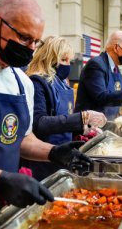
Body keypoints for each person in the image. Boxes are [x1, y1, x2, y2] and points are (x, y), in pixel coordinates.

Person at [0, 0, 91, 228]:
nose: (30, 49)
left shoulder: (22, 82)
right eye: (24, 38)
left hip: (1, 213)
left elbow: (22, 139)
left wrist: (54, 152)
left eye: (35, 42)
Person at [21, 36, 106, 181]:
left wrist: (84, 129)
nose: (68, 65)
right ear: (50, 58)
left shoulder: (62, 84)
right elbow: (39, 123)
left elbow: (64, 118)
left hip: (63, 154)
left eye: (69, 61)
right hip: (42, 158)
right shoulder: (37, 82)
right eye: (64, 60)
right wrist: (82, 117)